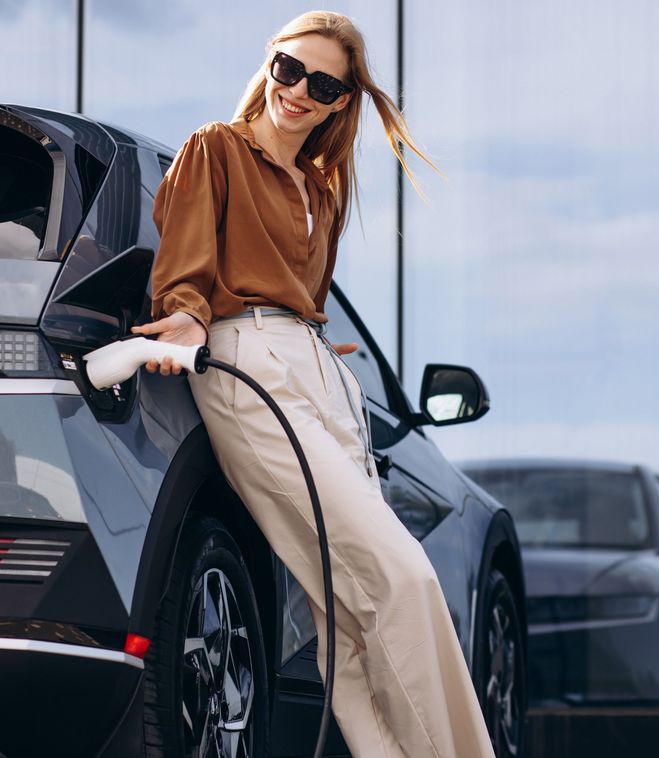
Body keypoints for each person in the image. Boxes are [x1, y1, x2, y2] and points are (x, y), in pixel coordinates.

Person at [130, 11, 498, 758]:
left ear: (339, 101)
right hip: (248, 367)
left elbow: (301, 296)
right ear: (269, 63)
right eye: (288, 68)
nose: (296, 90)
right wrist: (187, 319)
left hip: (321, 379)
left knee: (344, 614)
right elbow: (188, 269)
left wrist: (311, 341)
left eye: (321, 83)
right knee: (403, 579)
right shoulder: (215, 150)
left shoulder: (321, 190)